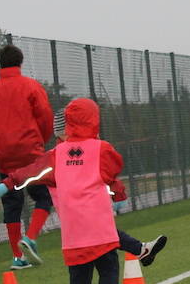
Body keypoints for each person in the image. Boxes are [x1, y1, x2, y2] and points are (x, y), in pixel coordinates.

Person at [0, 98, 133, 284]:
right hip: (99, 224)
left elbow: (31, 172)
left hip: (73, 229)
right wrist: (117, 196)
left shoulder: (56, 154)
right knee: (108, 267)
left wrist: (6, 184)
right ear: (94, 120)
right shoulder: (101, 148)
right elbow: (114, 168)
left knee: (79, 273)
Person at [51, 108, 167, 266]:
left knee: (103, 236)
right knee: (102, 238)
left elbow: (99, 174)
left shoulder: (73, 149)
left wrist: (114, 187)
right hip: (76, 212)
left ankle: (141, 250)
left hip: (80, 212)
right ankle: (141, 250)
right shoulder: (59, 154)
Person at [0, 45, 54, 270]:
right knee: (43, 197)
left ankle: (17, 258)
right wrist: (41, 140)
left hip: (5, 155)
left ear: (0, 64)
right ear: (20, 63)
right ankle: (30, 238)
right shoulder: (31, 86)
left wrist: (0, 143)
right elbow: (45, 117)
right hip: (31, 151)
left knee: (12, 203)